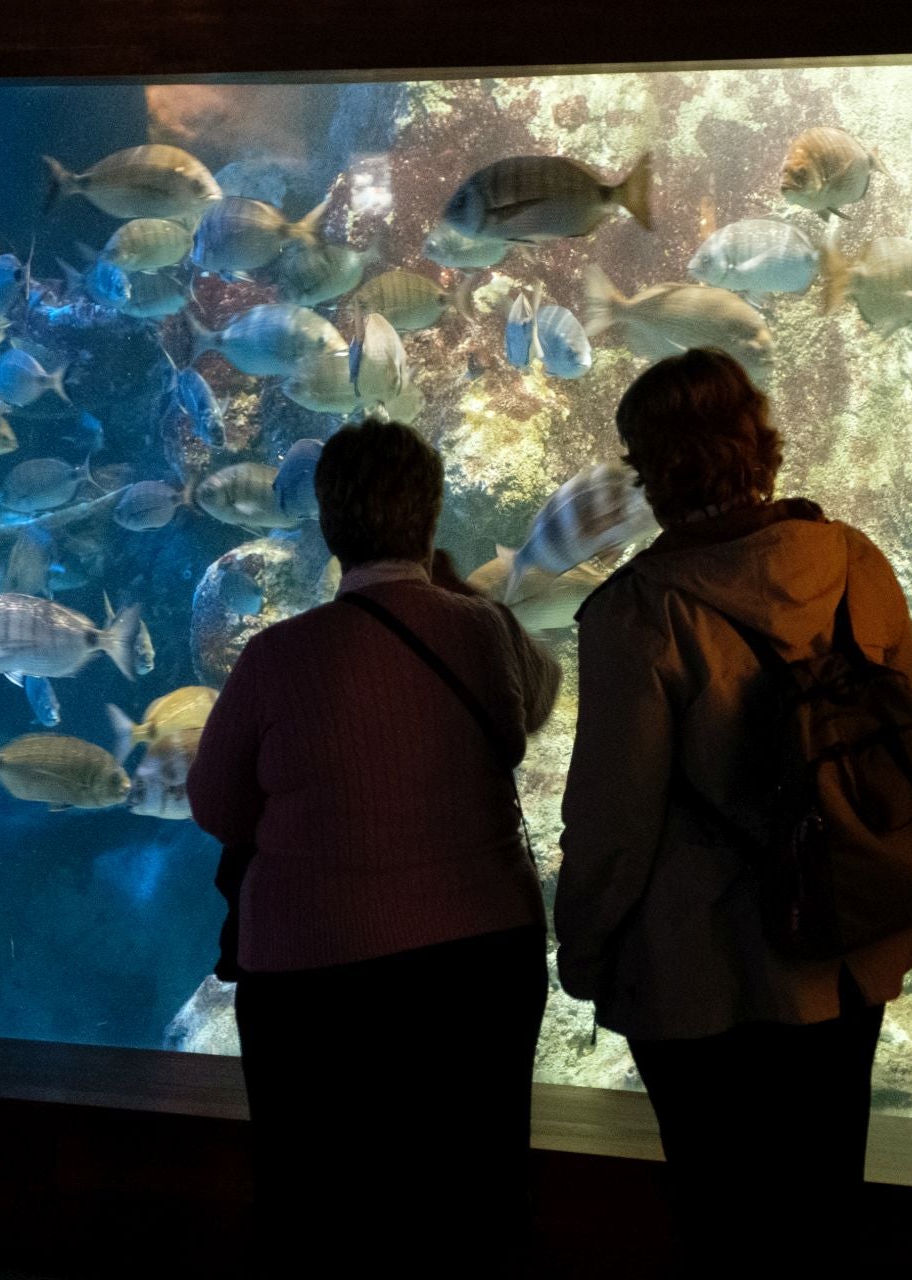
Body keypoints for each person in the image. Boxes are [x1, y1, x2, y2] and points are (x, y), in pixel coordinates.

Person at [553, 349, 912, 1265]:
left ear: (651, 469)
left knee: (725, 1223)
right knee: (824, 1207)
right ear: (760, 442)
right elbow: (901, 741)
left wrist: (584, 947)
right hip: (850, 947)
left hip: (708, 977)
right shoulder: (855, 560)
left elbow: (614, 824)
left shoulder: (636, 616)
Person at [186, 420, 562, 1278]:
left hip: (314, 977)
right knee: (475, 1194)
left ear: (326, 524)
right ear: (432, 517)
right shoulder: (483, 632)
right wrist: (464, 594)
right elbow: (537, 700)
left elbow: (215, 805)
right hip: (479, 962)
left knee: (320, 1200)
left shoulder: (276, 656)